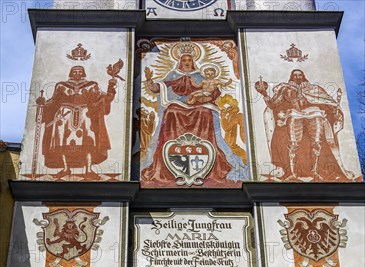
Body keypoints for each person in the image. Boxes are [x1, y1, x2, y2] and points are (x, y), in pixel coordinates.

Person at [141, 43, 247, 185]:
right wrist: (149, 80)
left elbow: (214, 91)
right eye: (184, 60)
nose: (186, 63)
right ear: (180, 62)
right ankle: (169, 157)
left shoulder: (200, 75)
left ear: (193, 62)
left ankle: (208, 154)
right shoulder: (173, 75)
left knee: (205, 111)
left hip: (199, 104)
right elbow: (158, 88)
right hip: (179, 104)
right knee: (171, 111)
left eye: (189, 60)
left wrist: (210, 95)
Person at [255, 69, 355, 182]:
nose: (298, 77)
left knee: (317, 144)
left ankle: (315, 172)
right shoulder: (285, 89)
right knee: (293, 144)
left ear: (304, 76)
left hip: (314, 114)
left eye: (300, 75)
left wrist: (335, 110)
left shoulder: (314, 89)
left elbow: (328, 102)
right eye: (295, 75)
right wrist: (264, 93)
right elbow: (273, 105)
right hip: (295, 115)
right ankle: (292, 173)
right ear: (291, 77)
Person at [38, 65, 116, 179]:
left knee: (88, 142)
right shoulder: (61, 85)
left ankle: (88, 170)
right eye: (75, 71)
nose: (77, 74)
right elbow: (54, 100)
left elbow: (103, 98)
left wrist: (111, 87)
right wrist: (43, 103)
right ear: (71, 73)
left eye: (80, 71)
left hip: (85, 114)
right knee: (62, 143)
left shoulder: (92, 85)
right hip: (64, 115)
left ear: (83, 73)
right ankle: (66, 168)